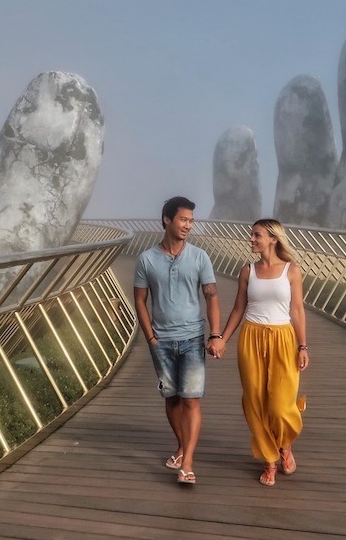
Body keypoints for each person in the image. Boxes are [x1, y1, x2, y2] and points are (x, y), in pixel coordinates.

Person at [207, 218, 308, 486]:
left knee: (280, 405)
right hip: (251, 337)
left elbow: (297, 310)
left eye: (256, 235)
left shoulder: (291, 271)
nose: (250, 239)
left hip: (283, 339)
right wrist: (221, 339)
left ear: (273, 238)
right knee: (255, 402)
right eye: (251, 235)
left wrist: (302, 345)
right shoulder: (247, 271)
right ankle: (269, 459)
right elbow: (239, 308)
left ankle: (284, 444)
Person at [133, 196, 221, 485]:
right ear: (167, 220)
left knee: (191, 400)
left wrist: (215, 334)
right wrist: (151, 338)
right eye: (183, 219)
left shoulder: (199, 257)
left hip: (193, 338)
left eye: (191, 221)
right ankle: (183, 447)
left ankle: (189, 462)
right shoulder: (146, 259)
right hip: (161, 341)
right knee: (170, 398)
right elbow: (140, 300)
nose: (188, 225)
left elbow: (211, 297)